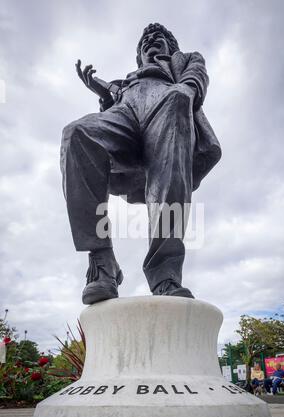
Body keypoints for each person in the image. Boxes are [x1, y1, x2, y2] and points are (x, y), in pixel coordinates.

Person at [61, 23, 221, 304]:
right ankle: (103, 263)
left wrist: (186, 90)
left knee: (176, 99)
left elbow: (197, 76)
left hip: (167, 103)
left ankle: (165, 273)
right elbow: (112, 117)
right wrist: (104, 95)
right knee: (76, 133)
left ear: (170, 44)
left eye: (158, 38)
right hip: (127, 112)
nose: (151, 42)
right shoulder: (127, 81)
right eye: (145, 40)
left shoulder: (185, 60)